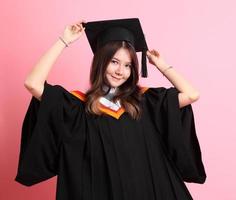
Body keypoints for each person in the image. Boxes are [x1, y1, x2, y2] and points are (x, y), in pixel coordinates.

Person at [15, 18, 206, 200]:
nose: (120, 71)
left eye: (128, 65)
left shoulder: (146, 102)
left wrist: (162, 65)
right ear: (100, 61)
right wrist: (63, 41)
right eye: (114, 62)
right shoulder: (77, 108)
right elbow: (32, 83)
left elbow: (191, 94)